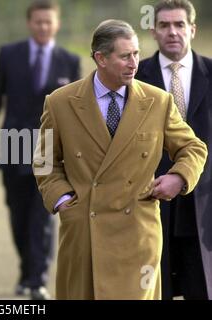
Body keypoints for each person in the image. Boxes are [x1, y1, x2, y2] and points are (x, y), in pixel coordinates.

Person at [32, 19, 207, 299]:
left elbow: (193, 147)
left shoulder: (158, 101)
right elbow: (44, 160)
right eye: (125, 56)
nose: (134, 62)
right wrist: (63, 200)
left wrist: (179, 177)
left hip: (137, 235)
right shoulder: (60, 102)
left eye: (136, 54)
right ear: (100, 58)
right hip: (84, 235)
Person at [0, 0, 80, 300]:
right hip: (12, 148)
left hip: (51, 151)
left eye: (48, 22)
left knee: (42, 215)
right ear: (29, 23)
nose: (43, 27)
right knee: (18, 214)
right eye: (38, 22)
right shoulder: (8, 55)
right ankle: (27, 273)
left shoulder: (69, 61)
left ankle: (37, 280)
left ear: (57, 24)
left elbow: (77, 109)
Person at [136, 0, 212, 300]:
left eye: (179, 25)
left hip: (205, 205)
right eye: (164, 25)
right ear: (153, 31)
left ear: (192, 29)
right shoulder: (135, 77)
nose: (172, 32)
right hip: (150, 202)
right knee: (153, 292)